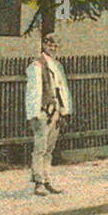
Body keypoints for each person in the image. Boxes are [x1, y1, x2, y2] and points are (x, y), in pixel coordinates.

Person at [25, 32, 72, 196]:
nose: (52, 48)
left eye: (54, 46)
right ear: (43, 45)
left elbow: (62, 89)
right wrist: (33, 113)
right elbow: (33, 91)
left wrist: (65, 110)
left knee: (49, 148)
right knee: (40, 147)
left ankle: (46, 179)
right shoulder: (36, 65)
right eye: (49, 45)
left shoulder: (57, 66)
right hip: (43, 111)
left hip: (56, 110)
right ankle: (38, 182)